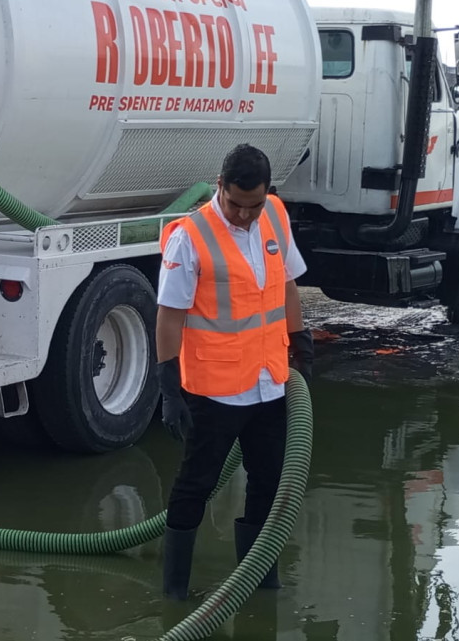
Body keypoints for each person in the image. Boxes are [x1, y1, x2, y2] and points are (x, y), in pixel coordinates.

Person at [155, 144, 314, 600]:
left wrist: (300, 340)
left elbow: (287, 284)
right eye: (235, 204)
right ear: (220, 186)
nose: (244, 215)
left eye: (253, 205)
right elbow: (169, 316)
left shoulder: (275, 215)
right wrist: (169, 388)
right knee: (195, 485)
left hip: (270, 382)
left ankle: (260, 579)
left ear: (267, 193)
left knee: (268, 483)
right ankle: (175, 592)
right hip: (216, 391)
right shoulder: (192, 236)